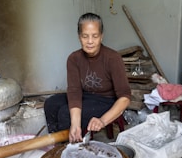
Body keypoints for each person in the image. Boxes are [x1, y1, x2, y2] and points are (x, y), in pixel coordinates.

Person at [44, 12, 131, 143]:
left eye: (95, 36)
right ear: (79, 37)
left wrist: (102, 120)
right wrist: (76, 123)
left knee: (65, 114)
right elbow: (74, 91)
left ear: (101, 36)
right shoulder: (74, 59)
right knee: (51, 104)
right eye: (85, 36)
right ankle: (58, 142)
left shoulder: (113, 58)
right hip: (86, 96)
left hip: (106, 101)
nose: (90, 41)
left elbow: (125, 98)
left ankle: (70, 148)